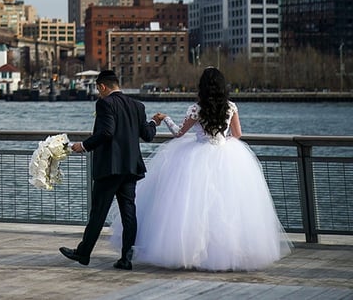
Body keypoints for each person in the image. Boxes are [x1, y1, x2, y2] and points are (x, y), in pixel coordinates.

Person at [109, 67, 292, 271]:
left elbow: (179, 133)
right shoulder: (231, 107)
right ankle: (229, 254)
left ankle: (193, 252)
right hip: (226, 155)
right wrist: (223, 141)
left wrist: (165, 118)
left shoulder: (196, 109)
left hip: (196, 156)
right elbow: (238, 134)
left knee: (192, 206)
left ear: (202, 87)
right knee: (229, 207)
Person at [59, 69, 159, 270]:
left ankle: (83, 253)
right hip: (130, 168)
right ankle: (126, 258)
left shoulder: (105, 103)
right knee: (129, 213)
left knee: (98, 212)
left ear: (102, 86)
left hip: (110, 168)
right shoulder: (137, 106)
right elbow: (147, 135)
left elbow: (106, 131)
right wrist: (155, 122)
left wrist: (84, 146)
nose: (98, 93)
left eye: (98, 89)